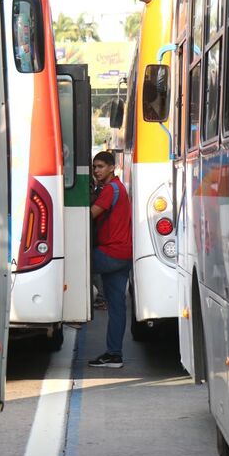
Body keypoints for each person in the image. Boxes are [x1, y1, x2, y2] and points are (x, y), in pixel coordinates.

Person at [88, 151, 132, 368]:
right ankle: (114, 355)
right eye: (94, 167)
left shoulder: (109, 189)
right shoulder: (119, 187)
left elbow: (88, 215)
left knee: (70, 267)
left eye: (101, 166)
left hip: (109, 253)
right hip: (124, 254)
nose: (96, 171)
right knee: (116, 307)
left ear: (112, 167)